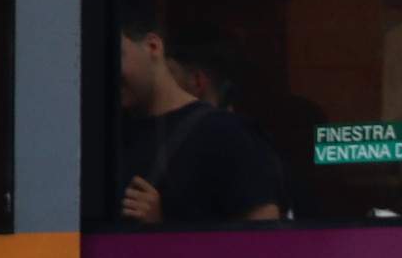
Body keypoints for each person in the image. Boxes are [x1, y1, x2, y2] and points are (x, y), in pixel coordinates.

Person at [116, 19, 289, 224]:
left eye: (116, 55)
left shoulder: (229, 135)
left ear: (153, 46)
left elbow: (261, 246)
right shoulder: (101, 140)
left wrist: (161, 231)